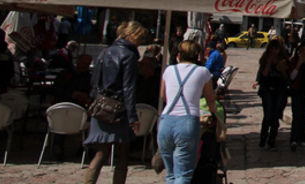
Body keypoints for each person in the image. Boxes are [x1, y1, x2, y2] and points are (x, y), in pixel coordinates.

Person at [84, 21, 149, 184]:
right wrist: (133, 116)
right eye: (140, 37)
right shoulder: (129, 55)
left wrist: (93, 102)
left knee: (101, 152)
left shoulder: (105, 52)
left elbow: (95, 80)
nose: (141, 41)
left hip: (102, 106)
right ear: (130, 35)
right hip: (120, 108)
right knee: (122, 154)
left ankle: (88, 182)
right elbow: (129, 88)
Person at [158, 39, 216, 184]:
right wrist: (213, 113)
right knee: (183, 174)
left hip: (166, 120)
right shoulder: (203, 72)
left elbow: (163, 96)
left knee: (170, 174)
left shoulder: (169, 70)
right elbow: (210, 98)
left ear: (179, 54)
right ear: (198, 55)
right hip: (187, 121)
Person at [254, 38, 289, 149]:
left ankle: (272, 140)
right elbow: (263, 74)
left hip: (280, 89)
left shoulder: (284, 59)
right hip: (267, 89)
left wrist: (282, 69)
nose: (274, 51)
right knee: (268, 115)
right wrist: (269, 63)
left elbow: (286, 77)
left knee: (275, 116)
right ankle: (263, 138)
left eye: (276, 49)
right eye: (272, 49)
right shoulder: (265, 59)